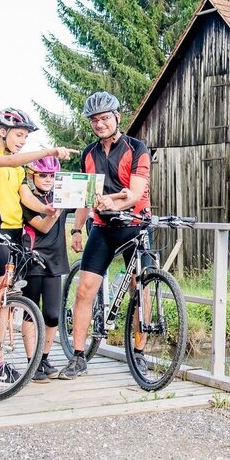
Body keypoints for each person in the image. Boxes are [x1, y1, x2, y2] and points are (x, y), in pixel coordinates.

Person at [0, 107, 76, 386]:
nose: (22, 141)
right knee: (1, 302)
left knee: (8, 303)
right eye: (19, 135)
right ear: (2, 131)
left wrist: (47, 210)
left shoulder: (19, 166)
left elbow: (26, 198)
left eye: (25, 136)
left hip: (13, 235)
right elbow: (11, 162)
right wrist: (48, 153)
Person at [62, 91, 151, 380]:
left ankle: (139, 353)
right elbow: (83, 196)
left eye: (104, 118)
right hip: (101, 226)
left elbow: (135, 193)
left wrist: (115, 201)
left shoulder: (137, 148)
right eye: (94, 120)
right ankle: (78, 356)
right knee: (85, 289)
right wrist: (76, 228)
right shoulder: (89, 153)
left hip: (134, 224)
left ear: (117, 118)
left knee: (141, 288)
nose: (99, 124)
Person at [21, 155, 69, 382]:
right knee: (32, 312)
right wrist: (53, 213)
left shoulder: (60, 195)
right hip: (34, 259)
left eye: (52, 175)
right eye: (43, 175)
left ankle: (44, 358)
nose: (48, 179)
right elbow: (41, 226)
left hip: (56, 259)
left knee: (52, 314)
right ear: (32, 176)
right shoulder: (27, 199)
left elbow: (86, 204)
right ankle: (33, 362)